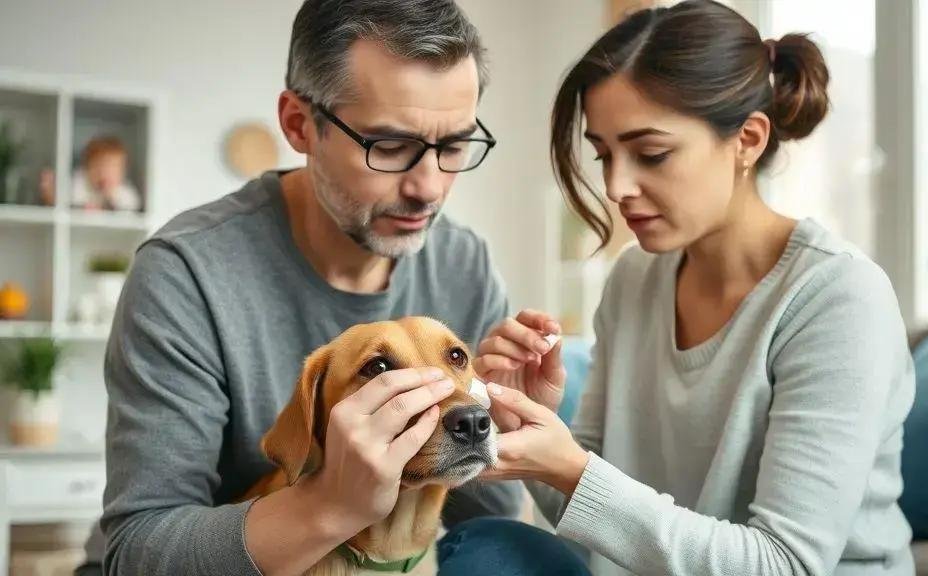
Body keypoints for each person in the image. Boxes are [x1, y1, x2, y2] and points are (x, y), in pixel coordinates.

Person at [74, 1, 586, 575]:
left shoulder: (463, 262)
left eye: (453, 146)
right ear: (299, 124)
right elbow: (139, 551)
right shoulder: (184, 273)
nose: (428, 187)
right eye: (389, 145)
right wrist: (332, 505)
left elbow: (479, 520)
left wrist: (491, 420)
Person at [474, 1, 916, 575]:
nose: (616, 186)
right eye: (605, 155)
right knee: (488, 547)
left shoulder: (838, 298)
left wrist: (572, 469)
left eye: (651, 154)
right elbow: (594, 518)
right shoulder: (634, 280)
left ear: (748, 140)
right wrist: (528, 424)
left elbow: (787, 564)